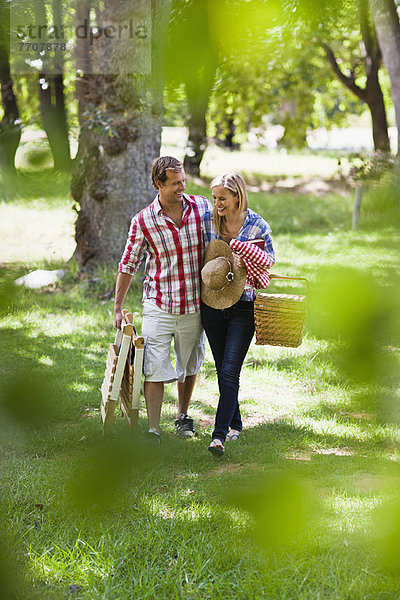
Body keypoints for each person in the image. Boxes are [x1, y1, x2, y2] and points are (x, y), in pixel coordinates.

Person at [114, 156, 211, 443]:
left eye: (183, 181)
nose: (182, 187)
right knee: (153, 366)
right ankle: (153, 430)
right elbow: (128, 264)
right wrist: (118, 306)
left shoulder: (202, 207)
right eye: (175, 183)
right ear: (158, 184)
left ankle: (182, 417)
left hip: (194, 304)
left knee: (189, 363)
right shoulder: (143, 221)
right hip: (159, 303)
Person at [201, 171, 275, 456]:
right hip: (212, 305)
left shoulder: (257, 226)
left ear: (237, 196)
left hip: (244, 307)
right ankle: (236, 424)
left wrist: (246, 253)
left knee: (231, 369)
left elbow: (269, 262)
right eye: (214, 197)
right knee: (223, 371)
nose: (216, 203)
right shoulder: (209, 221)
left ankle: (218, 436)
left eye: (222, 198)